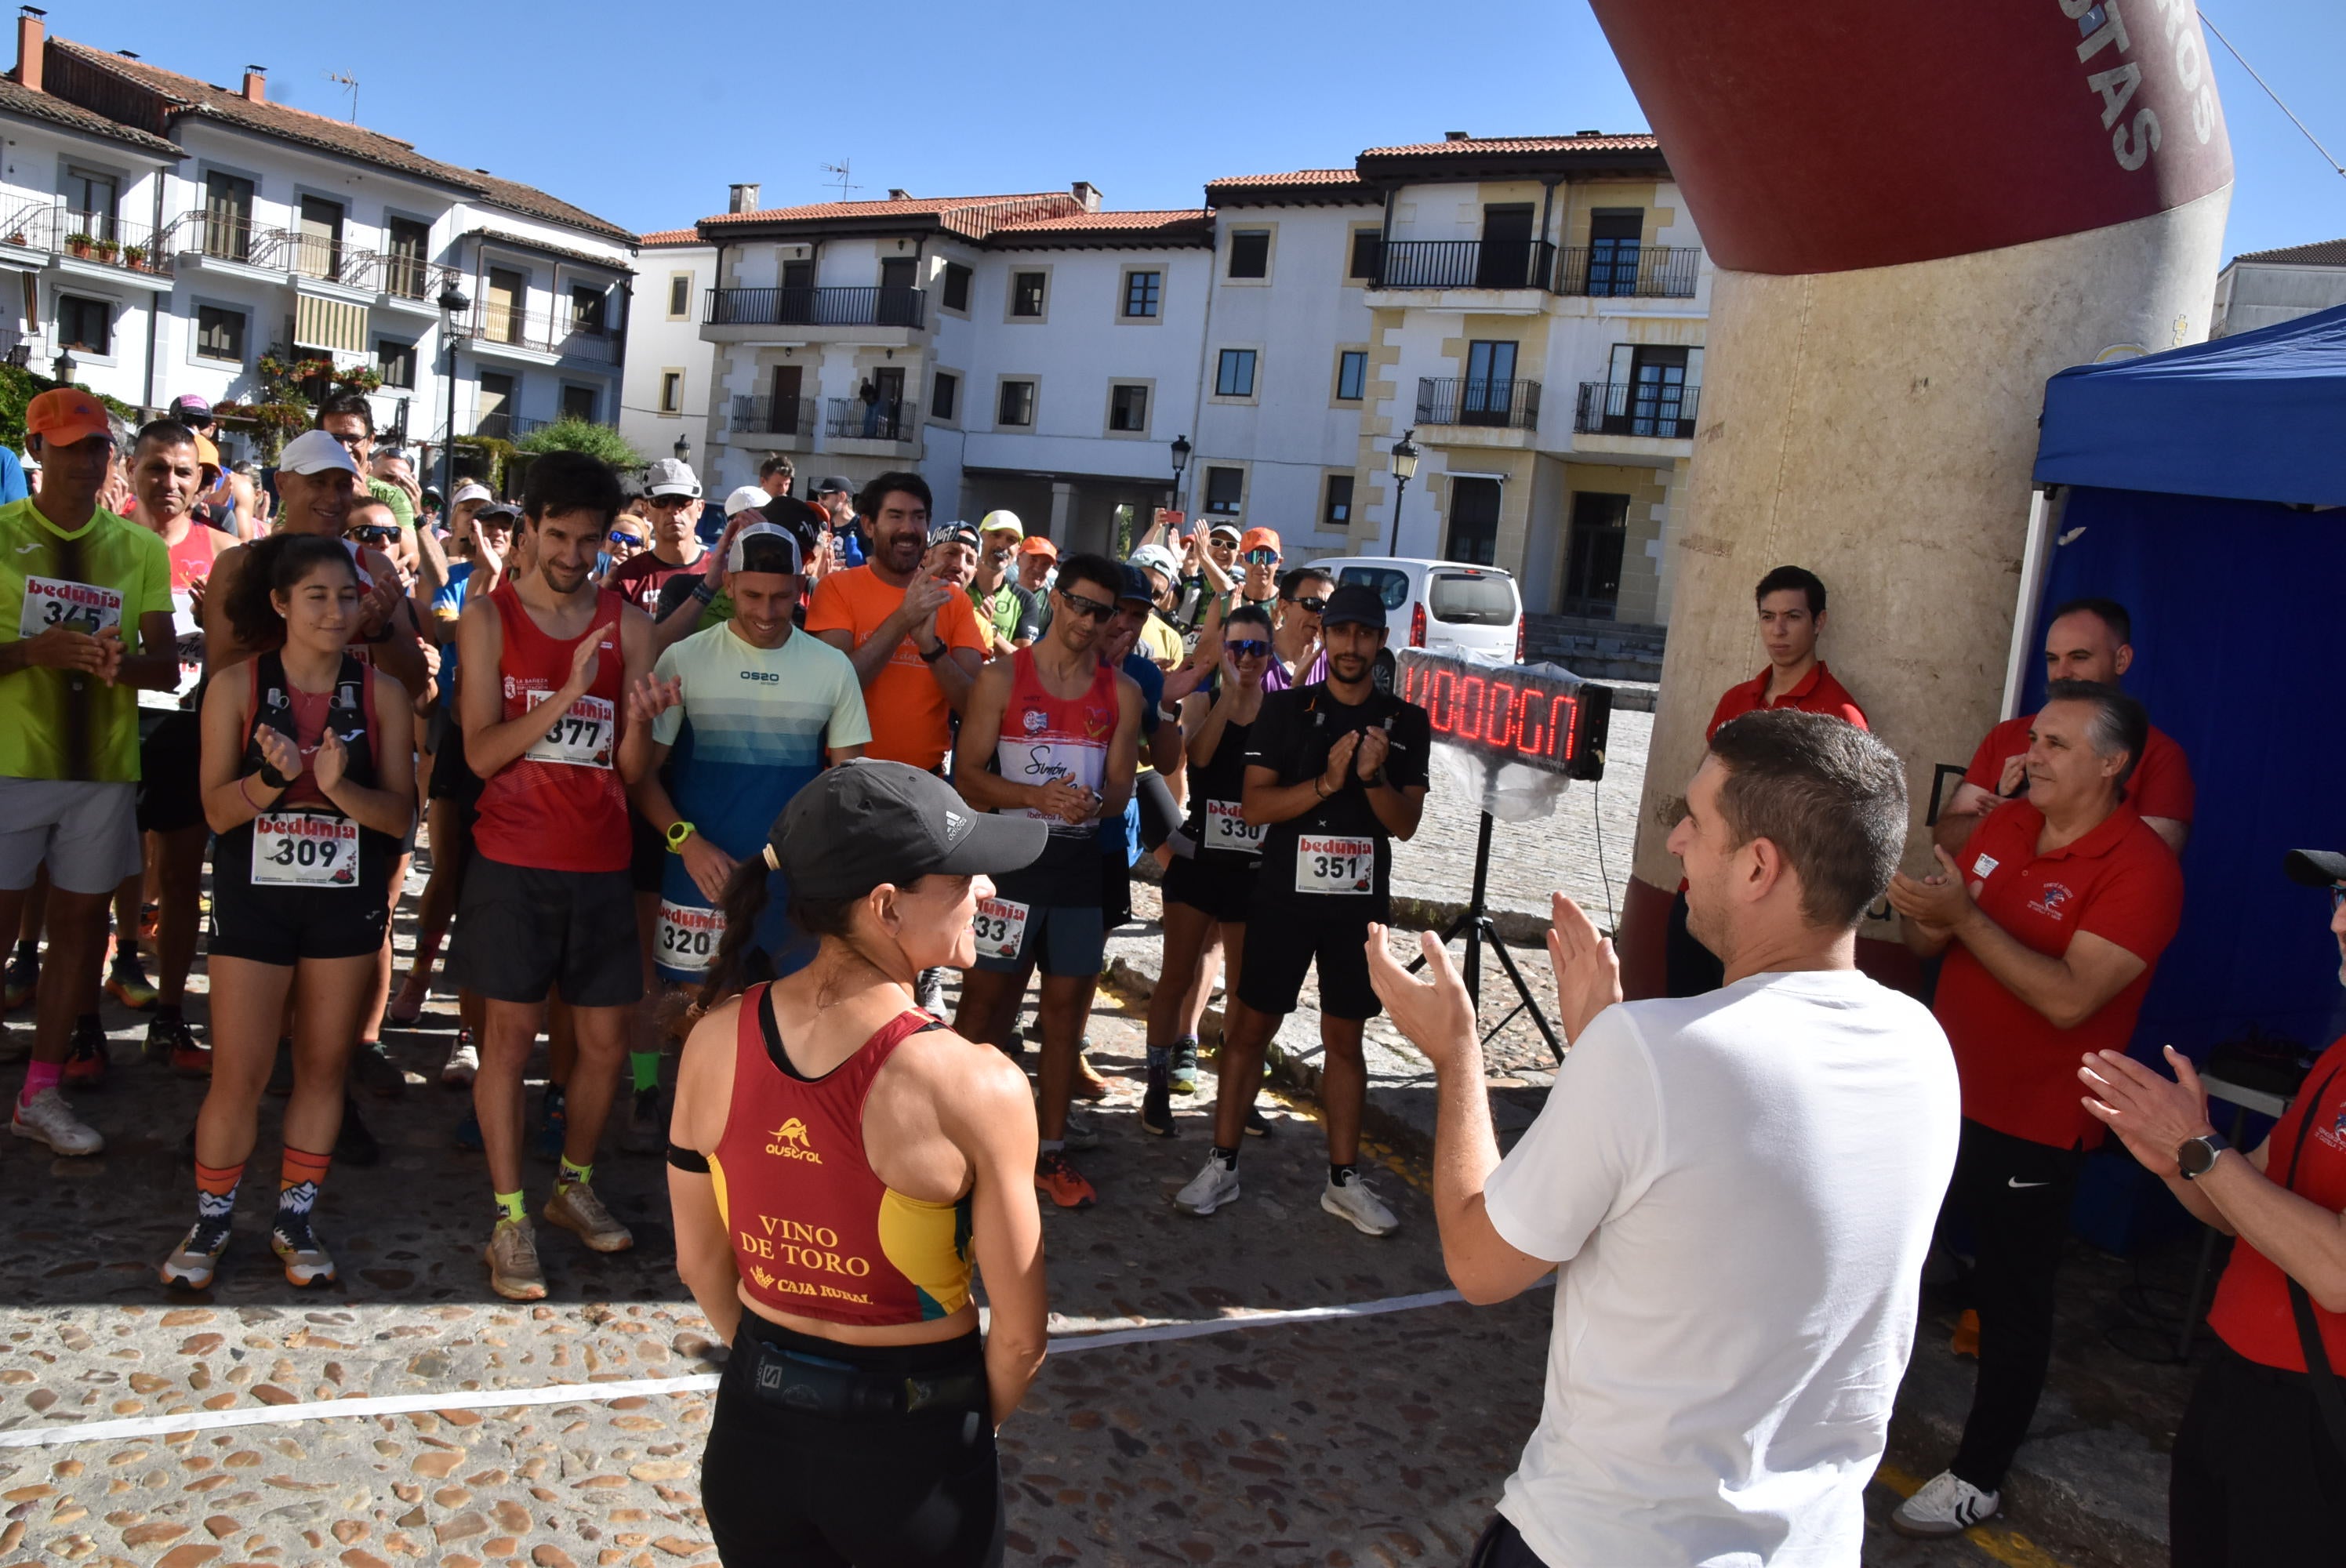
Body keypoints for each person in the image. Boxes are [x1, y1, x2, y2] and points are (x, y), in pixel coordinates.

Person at [1369, 709, 1958, 1566]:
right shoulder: (1923, 1047)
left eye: (1697, 820)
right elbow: (1715, 1200)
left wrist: (1459, 1053)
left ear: (1760, 865)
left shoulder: (1646, 1055)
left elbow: (1478, 1258)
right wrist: (1604, 1054)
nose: (1677, 840)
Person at [668, 761, 1048, 1565]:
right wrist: (949, 1437)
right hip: (911, 1459)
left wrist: (785, 1389)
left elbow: (700, 1264)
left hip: (751, 1441)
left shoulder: (713, 1034)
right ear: (884, 905)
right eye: (959, 875)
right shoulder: (976, 1082)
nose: (984, 888)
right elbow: (1018, 1339)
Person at [1886, 679, 2184, 1535]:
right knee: (1886, 1254)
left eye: (2053, 743)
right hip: (1939, 1093)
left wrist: (1964, 916)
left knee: (2013, 1298)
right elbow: (1924, 942)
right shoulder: (2006, 823)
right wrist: (1929, 912)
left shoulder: (2141, 870)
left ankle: (1978, 1474)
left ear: (2111, 762)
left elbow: (2067, 999)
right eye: (2032, 738)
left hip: (2035, 1120)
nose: (2028, 755)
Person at [161, 533, 416, 1289]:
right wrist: (273, 782)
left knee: (322, 1069)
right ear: (280, 603)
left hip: (344, 905)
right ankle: (210, 1222)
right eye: (317, 596)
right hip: (255, 901)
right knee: (237, 1073)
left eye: (347, 596)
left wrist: (338, 790)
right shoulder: (237, 688)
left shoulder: (384, 695)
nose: (336, 612)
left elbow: (398, 817)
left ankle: (294, 1218)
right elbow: (214, 808)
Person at [2081, 848, 2346, 1565]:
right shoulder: (2338, 1056)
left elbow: (2339, 1275)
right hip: (2240, 1380)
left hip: (2318, 1412)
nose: (2340, 923)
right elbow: (2242, 1203)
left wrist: (2201, 1151)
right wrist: (2178, 1166)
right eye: (2341, 897)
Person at [448, 450, 656, 1301]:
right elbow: (481, 752)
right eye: (559, 535)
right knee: (509, 1041)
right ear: (527, 528)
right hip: (513, 861)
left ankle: (572, 1181)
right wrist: (568, 694)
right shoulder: (488, 617)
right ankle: (509, 1216)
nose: (575, 554)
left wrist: (639, 720)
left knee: (605, 1045)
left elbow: (632, 771)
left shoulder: (629, 625)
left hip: (601, 860)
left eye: (592, 539)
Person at [1175, 583, 1427, 1233]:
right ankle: (1221, 1163)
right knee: (1249, 1030)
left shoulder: (1405, 722)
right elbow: (1257, 807)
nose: (1351, 646)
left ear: (1379, 643)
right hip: (1282, 899)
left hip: (1355, 907)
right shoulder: (1285, 712)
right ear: (1328, 636)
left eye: (1364, 635)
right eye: (1340, 632)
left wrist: (1371, 779)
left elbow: (1404, 825)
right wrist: (1326, 784)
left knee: (1345, 1039)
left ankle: (1343, 1181)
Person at [0, 391, 177, 1154]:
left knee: (78, 931)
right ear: (36, 450)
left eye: (97, 447)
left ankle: (40, 1091)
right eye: (69, 446)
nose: (85, 461)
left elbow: (166, 665)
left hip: (102, 769)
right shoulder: (1, 536)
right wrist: (27, 654)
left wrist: (119, 664)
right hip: (10, 764)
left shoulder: (140, 548)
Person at [952, 552, 1142, 1209]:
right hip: (1010, 867)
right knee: (982, 1007)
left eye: (1104, 612)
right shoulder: (1003, 677)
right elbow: (967, 777)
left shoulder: (1121, 693)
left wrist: (1092, 801)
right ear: (1057, 600)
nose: (1090, 621)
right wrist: (1036, 794)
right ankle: (956, 1141)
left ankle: (1050, 1152)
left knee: (1065, 1017)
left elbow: (1120, 792)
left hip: (1078, 873)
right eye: (1081, 605)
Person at [620, 521, 867, 1008]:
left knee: (790, 1028)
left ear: (801, 588)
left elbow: (848, 788)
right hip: (702, 875)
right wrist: (685, 842)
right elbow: (640, 776)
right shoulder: (683, 658)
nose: (766, 612)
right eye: (752, 595)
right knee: (700, 1022)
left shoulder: (832, 668)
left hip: (793, 882)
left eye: (781, 597)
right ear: (728, 585)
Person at [1668, 564, 1868, 997]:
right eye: (1767, 616)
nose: (1778, 630)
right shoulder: (1737, 700)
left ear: (1819, 622)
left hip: (1773, 918)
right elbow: (1703, 792)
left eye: (1793, 617)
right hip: (1704, 894)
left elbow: (1839, 834)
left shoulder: (1840, 715)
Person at [124, 419, 230, 1073]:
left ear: (201, 480)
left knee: (185, 875)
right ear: (131, 471)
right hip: (115, 721)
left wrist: (216, 621)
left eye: (182, 472)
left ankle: (170, 1013)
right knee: (111, 868)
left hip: (191, 724)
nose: (169, 482)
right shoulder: (111, 544)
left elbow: (245, 650)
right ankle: (113, 974)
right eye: (156, 468)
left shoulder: (224, 549)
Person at [1146, 604, 1274, 1136]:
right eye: (1236, 647)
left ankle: (1238, 1094)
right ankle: (1157, 1087)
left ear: (1269, 656)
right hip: (1200, 859)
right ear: (1224, 653)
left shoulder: (1281, 709)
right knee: (1176, 975)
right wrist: (1229, 693)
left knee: (1246, 990)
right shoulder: (1205, 700)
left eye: (1256, 649)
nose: (1246, 657)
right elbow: (1195, 761)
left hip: (1252, 868)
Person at [1935, 596, 2193, 857]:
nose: (2061, 673)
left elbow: (2149, 864)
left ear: (2121, 660)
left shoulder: (2160, 755)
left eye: (2079, 657)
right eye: (2052, 659)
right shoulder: (2007, 734)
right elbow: (1947, 840)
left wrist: (2018, 816)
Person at [805, 474, 987, 779]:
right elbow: (833, 691)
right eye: (895, 516)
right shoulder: (836, 589)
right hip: (849, 781)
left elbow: (975, 707)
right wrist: (904, 618)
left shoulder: (954, 600)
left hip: (925, 784)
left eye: (918, 518)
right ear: (868, 525)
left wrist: (931, 649)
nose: (908, 529)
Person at [608, 458, 707, 612]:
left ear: (700, 508)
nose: (672, 509)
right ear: (646, 510)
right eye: (662, 501)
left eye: (682, 500)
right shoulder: (626, 578)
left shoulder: (721, 573)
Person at [1262, 565, 1332, 692]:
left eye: (1328, 608)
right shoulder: (1256, 657)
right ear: (1284, 607)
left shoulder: (1331, 661)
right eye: (1312, 604)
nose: (1320, 615)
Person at [971, 515, 1038, 649]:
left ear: (1018, 550)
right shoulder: (958, 586)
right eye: (995, 535)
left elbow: (1023, 660)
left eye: (1011, 540)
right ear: (979, 539)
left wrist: (989, 631)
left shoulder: (1025, 599)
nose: (1002, 545)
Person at [812, 475, 864, 567]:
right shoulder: (823, 526)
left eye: (823, 496)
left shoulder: (863, 526)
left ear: (842, 496)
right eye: (818, 496)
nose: (819, 502)